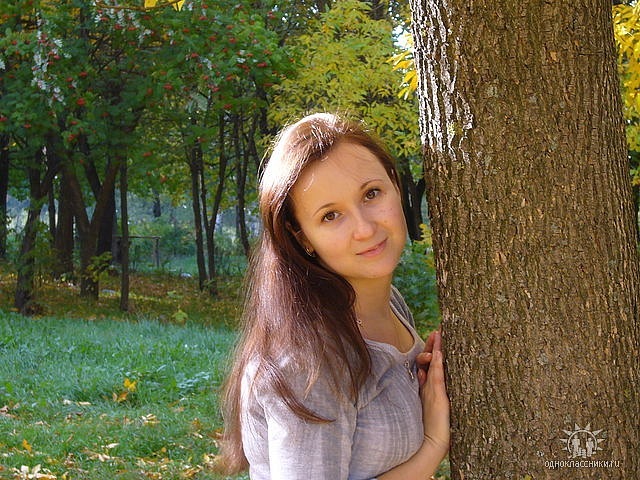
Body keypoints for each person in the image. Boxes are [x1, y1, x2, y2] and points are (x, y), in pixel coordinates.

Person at [218, 112, 450, 479]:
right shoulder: (308, 365)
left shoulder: (389, 303)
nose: (364, 228)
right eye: (330, 216)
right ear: (303, 238)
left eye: (371, 194)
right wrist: (434, 444)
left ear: (395, 183)